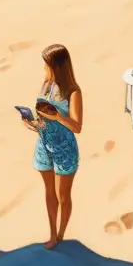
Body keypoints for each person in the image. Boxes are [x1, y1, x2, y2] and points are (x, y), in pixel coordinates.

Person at [20, 44, 84, 249]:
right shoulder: (46, 84)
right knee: (49, 192)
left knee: (62, 196)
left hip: (64, 149)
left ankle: (62, 233)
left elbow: (77, 126)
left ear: (57, 66)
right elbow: (42, 117)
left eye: (47, 65)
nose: (44, 69)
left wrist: (57, 116)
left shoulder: (73, 92)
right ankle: (53, 233)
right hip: (44, 144)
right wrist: (34, 124)